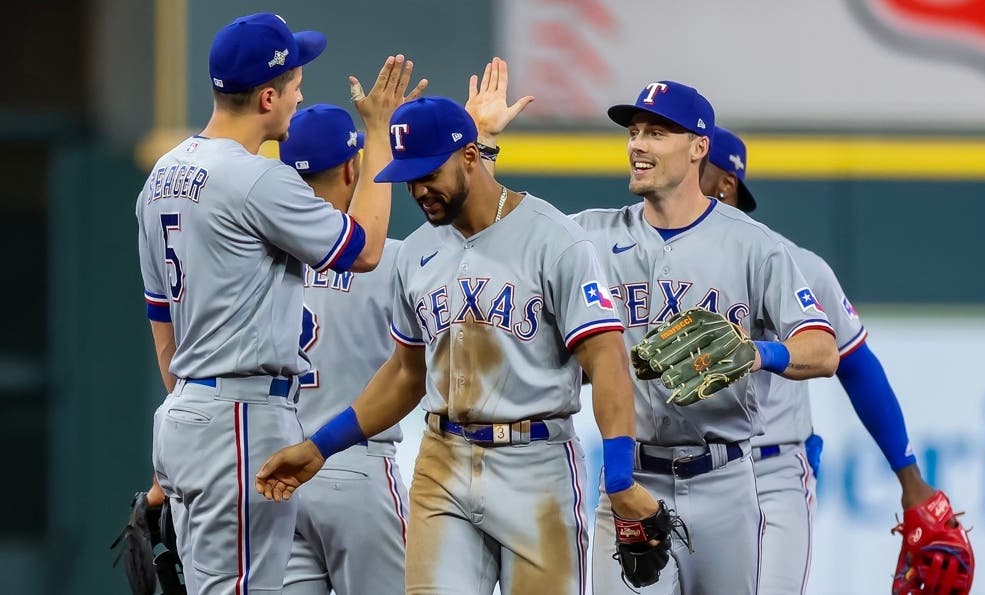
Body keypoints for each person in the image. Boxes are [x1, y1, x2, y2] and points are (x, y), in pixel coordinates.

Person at [256, 94, 661, 594]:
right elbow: (406, 374)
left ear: (471, 155)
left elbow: (607, 359)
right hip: (442, 460)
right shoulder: (418, 253)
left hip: (536, 465)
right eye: (409, 178)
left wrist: (619, 475)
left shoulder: (554, 239)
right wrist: (321, 446)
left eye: (429, 173)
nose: (419, 189)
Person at [136, 11, 425, 594]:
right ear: (267, 96)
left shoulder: (162, 175)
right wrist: (377, 132)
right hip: (240, 415)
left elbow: (161, 320)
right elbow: (364, 250)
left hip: (186, 413)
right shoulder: (254, 180)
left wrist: (193, 410)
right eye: (294, 83)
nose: (299, 94)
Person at [568, 81, 840, 595]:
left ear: (699, 148)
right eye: (633, 132)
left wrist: (757, 353)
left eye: (656, 132)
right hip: (632, 482)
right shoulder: (589, 237)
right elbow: (506, 236)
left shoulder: (753, 245)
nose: (637, 145)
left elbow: (823, 350)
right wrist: (485, 145)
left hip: (727, 482)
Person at [702, 125, 966, 595]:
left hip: (770, 469)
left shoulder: (795, 264)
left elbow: (858, 365)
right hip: (675, 468)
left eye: (694, 164)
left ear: (726, 184)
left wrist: (910, 478)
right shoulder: (649, 258)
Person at [276, 104, 408, 595]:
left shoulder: (257, 255)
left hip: (275, 471)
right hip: (356, 464)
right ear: (353, 168)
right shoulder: (392, 260)